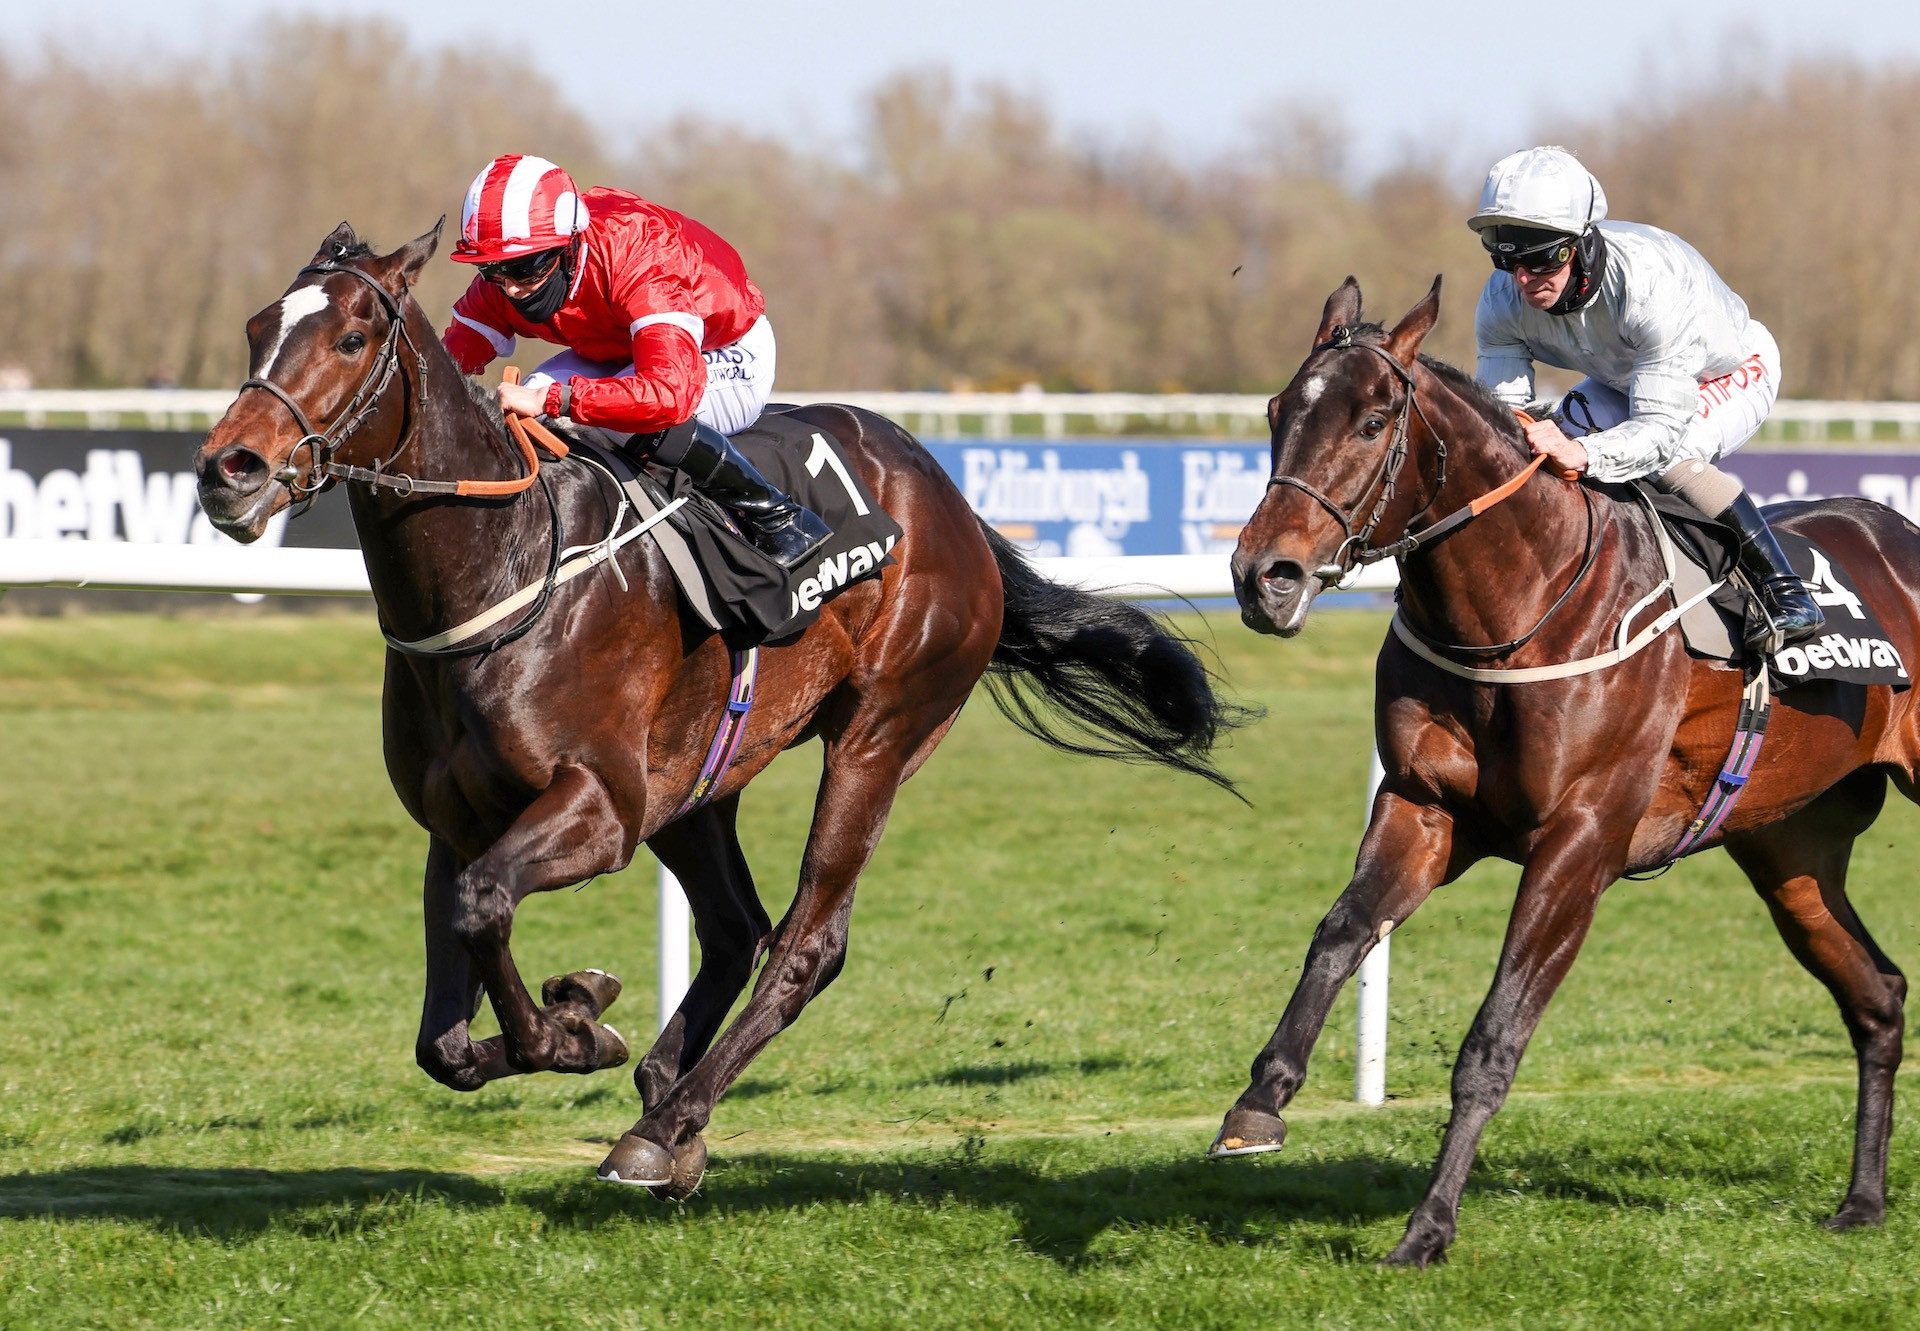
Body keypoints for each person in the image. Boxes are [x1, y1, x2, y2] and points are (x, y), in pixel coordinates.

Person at [1469, 145, 1823, 650]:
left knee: (1668, 456)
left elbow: (1659, 429)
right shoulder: (1502, 299)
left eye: (1541, 257)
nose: (1523, 277)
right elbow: (1505, 418)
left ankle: (1787, 593)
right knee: (1544, 443)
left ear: (1581, 243)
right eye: (1505, 257)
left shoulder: (1651, 285)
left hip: (1725, 371)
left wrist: (1587, 452)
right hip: (1627, 378)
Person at [442, 153, 831, 569]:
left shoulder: (638, 251)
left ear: (570, 243)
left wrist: (556, 399)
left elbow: (668, 392)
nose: (513, 289)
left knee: (582, 411)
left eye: (525, 268)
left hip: (723, 349)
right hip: (625, 351)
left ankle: (778, 517)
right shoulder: (509, 275)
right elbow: (444, 367)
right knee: (528, 418)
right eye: (492, 270)